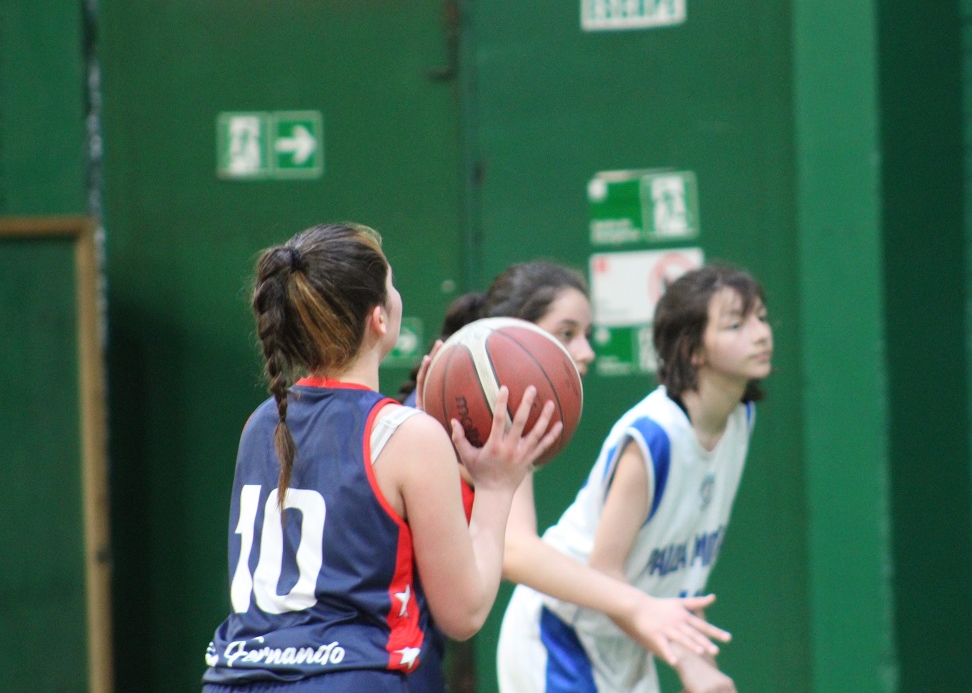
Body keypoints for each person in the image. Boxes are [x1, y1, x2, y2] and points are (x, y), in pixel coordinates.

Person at [201, 223, 560, 693]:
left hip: (235, 679)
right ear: (380, 319)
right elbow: (463, 612)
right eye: (392, 286)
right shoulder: (406, 437)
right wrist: (496, 486)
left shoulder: (263, 423)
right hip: (344, 679)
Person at [409, 262, 731, 691]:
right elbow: (515, 551)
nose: (586, 351)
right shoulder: (449, 417)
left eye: (587, 335)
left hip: (413, 635)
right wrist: (639, 606)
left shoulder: (493, 416)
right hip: (375, 637)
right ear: (514, 336)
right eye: (567, 334)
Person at [496, 263, 772, 693]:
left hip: (628, 640)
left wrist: (700, 664)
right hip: (562, 635)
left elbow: (680, 572)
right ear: (693, 349)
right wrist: (689, 663)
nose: (760, 334)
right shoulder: (652, 438)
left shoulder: (739, 422)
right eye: (737, 323)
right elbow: (543, 558)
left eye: (761, 318)